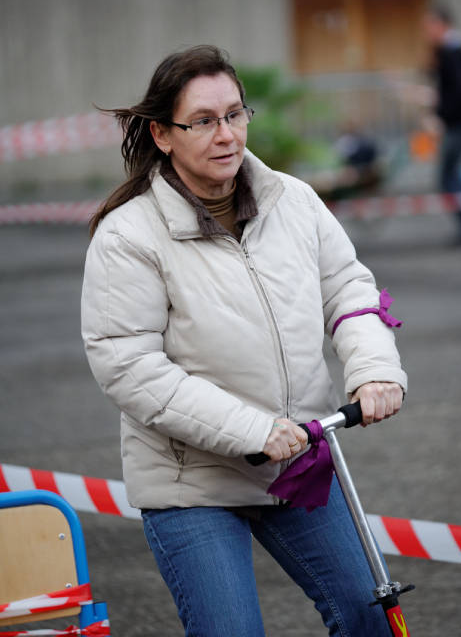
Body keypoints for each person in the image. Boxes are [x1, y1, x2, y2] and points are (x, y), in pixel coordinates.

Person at [81, 45, 408, 636]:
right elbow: (127, 365)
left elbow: (349, 289)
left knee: (372, 618)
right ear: (162, 134)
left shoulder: (294, 200)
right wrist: (253, 430)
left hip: (298, 462)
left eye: (235, 114)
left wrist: (374, 368)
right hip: (192, 484)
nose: (226, 134)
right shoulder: (128, 236)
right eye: (203, 121)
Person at [424, 7, 461, 245]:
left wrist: (440, 115)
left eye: (430, 26)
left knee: (448, 178)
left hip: (460, 123)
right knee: (453, 176)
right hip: (460, 121)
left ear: (441, 25)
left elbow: (459, 90)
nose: (427, 32)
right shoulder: (451, 49)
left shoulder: (452, 51)